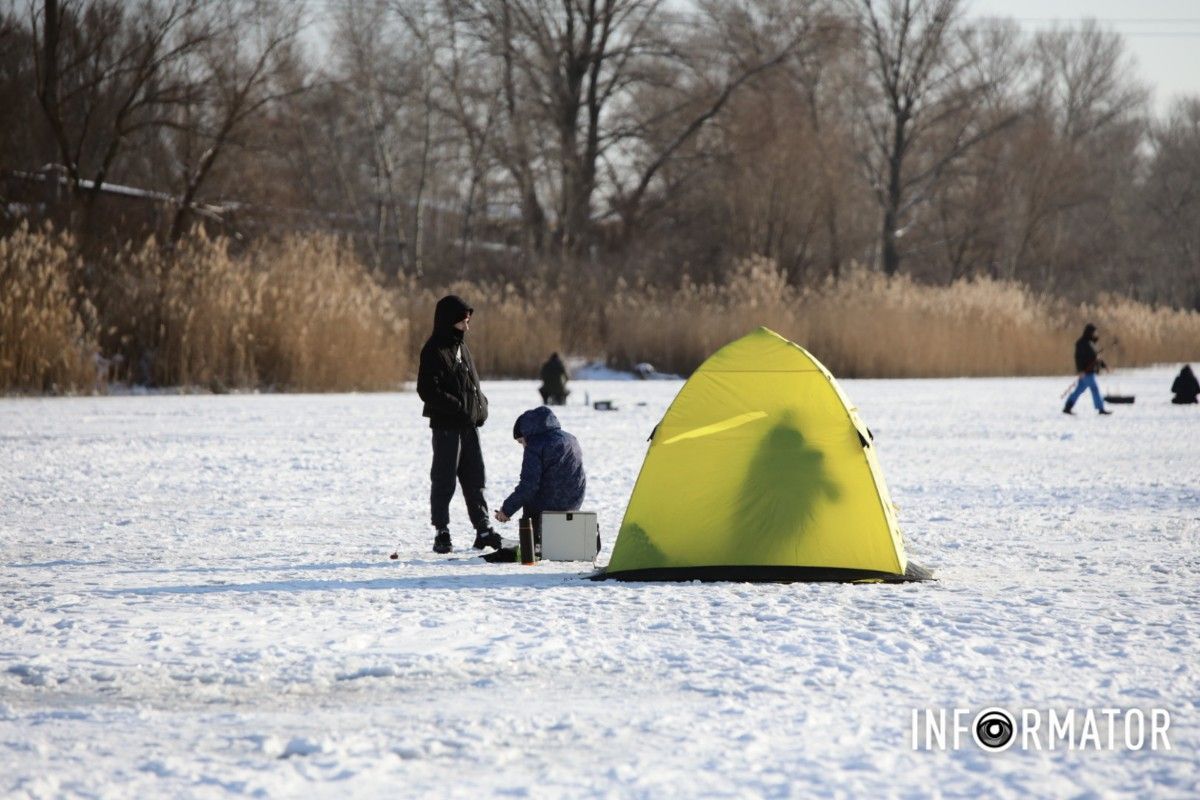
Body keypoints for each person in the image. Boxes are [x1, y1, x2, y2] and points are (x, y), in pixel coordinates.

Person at [417, 295, 502, 554]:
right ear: (448, 322)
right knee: (444, 480)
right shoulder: (434, 350)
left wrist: (480, 406)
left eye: (468, 321)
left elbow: (471, 385)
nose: (467, 327)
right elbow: (426, 390)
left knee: (475, 478)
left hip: (468, 426)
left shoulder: (462, 347)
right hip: (446, 427)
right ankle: (441, 531)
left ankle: (483, 529)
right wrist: (457, 406)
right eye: (462, 322)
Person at [493, 407, 586, 544]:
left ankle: (532, 541)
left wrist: (506, 510)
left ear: (527, 434)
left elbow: (528, 485)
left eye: (521, 441)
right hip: (574, 502)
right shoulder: (570, 438)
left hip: (547, 507)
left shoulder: (535, 445)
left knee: (530, 499)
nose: (523, 446)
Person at [1063, 323, 1112, 416]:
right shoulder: (1081, 343)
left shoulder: (1091, 343)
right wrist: (1080, 370)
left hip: (1089, 372)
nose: (1096, 334)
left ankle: (1067, 407)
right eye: (1094, 332)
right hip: (1086, 372)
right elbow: (1078, 358)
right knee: (1095, 389)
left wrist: (1105, 366)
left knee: (1079, 390)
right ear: (1090, 332)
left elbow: (1096, 358)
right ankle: (1101, 408)